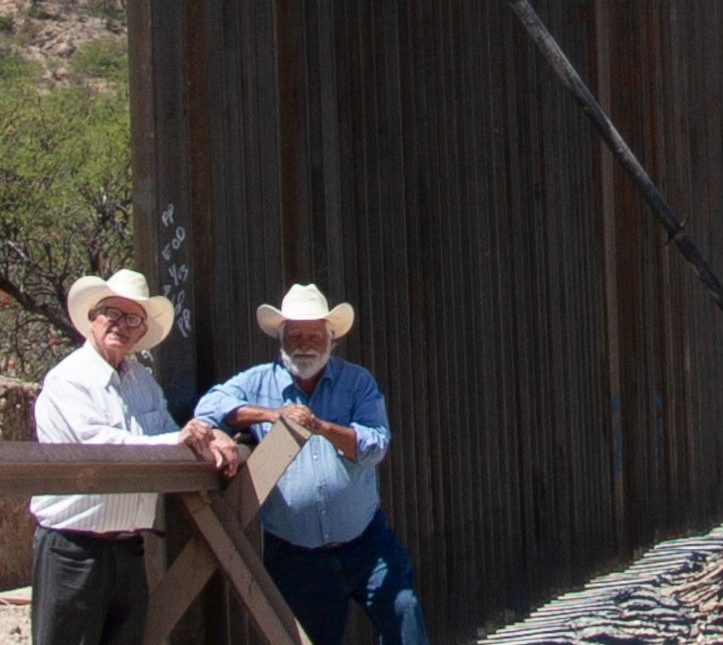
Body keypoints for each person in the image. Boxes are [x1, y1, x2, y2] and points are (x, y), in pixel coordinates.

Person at [194, 283, 429, 645]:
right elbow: (209, 407)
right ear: (281, 339)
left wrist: (319, 427)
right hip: (295, 553)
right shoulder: (256, 382)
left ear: (330, 339)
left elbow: (375, 444)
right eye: (296, 335)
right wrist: (272, 415)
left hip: (365, 539)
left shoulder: (357, 382)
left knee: (402, 607)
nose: (305, 343)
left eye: (314, 335)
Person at [29, 268, 242, 645]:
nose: (120, 325)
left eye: (132, 318)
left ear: (142, 332)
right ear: (92, 318)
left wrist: (210, 440)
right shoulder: (69, 379)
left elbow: (168, 434)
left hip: (128, 549)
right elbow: (99, 446)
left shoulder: (143, 382)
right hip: (73, 548)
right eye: (112, 313)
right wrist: (179, 438)